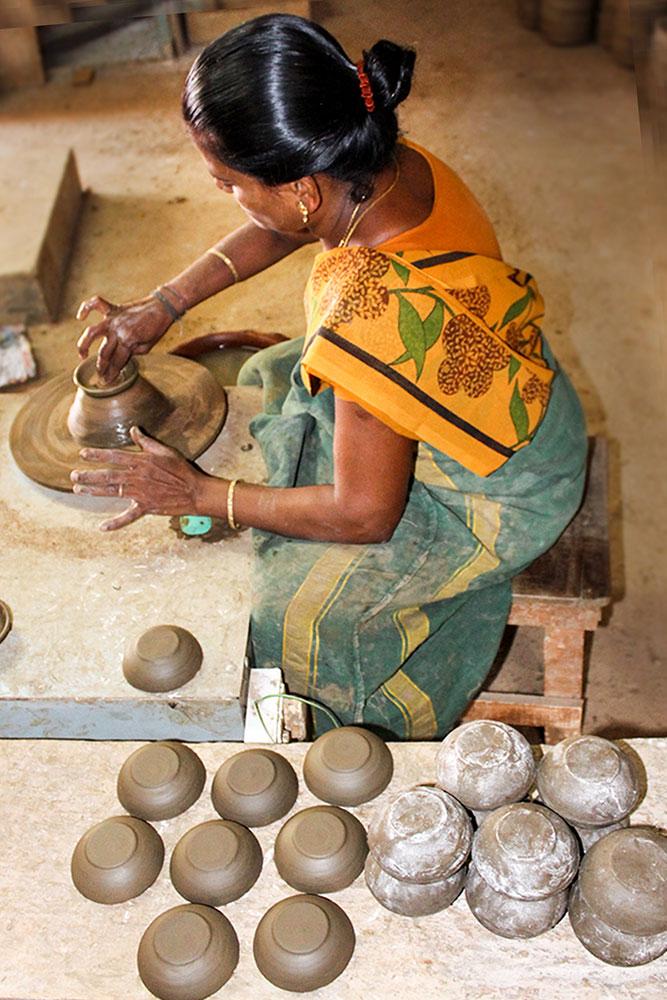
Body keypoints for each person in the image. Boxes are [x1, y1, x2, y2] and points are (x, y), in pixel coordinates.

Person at [71, 14, 587, 739]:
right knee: (273, 371)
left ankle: (370, 729)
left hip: (505, 487)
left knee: (290, 613)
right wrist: (166, 304)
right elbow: (286, 222)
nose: (225, 195)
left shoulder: (367, 310)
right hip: (522, 386)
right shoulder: (384, 162)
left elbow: (366, 516)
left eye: (228, 183)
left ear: (302, 188)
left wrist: (200, 494)